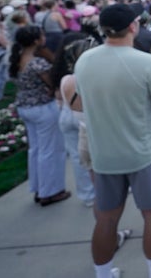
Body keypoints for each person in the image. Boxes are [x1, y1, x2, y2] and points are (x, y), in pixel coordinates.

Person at [74, 3, 151, 278]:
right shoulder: (146, 63)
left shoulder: (84, 61)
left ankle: (103, 274)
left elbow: (81, 102)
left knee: (106, 218)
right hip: (144, 153)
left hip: (104, 155)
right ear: (133, 27)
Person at [9, 25, 70, 206]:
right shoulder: (38, 63)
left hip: (25, 107)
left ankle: (39, 188)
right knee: (50, 150)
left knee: (35, 149)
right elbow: (52, 82)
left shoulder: (17, 59)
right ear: (36, 40)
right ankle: (50, 191)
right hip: (42, 107)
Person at [51, 33, 97, 207]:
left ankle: (87, 195)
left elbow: (57, 94)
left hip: (65, 112)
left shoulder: (61, 72)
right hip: (83, 115)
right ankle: (107, 189)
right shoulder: (87, 72)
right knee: (94, 156)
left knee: (78, 157)